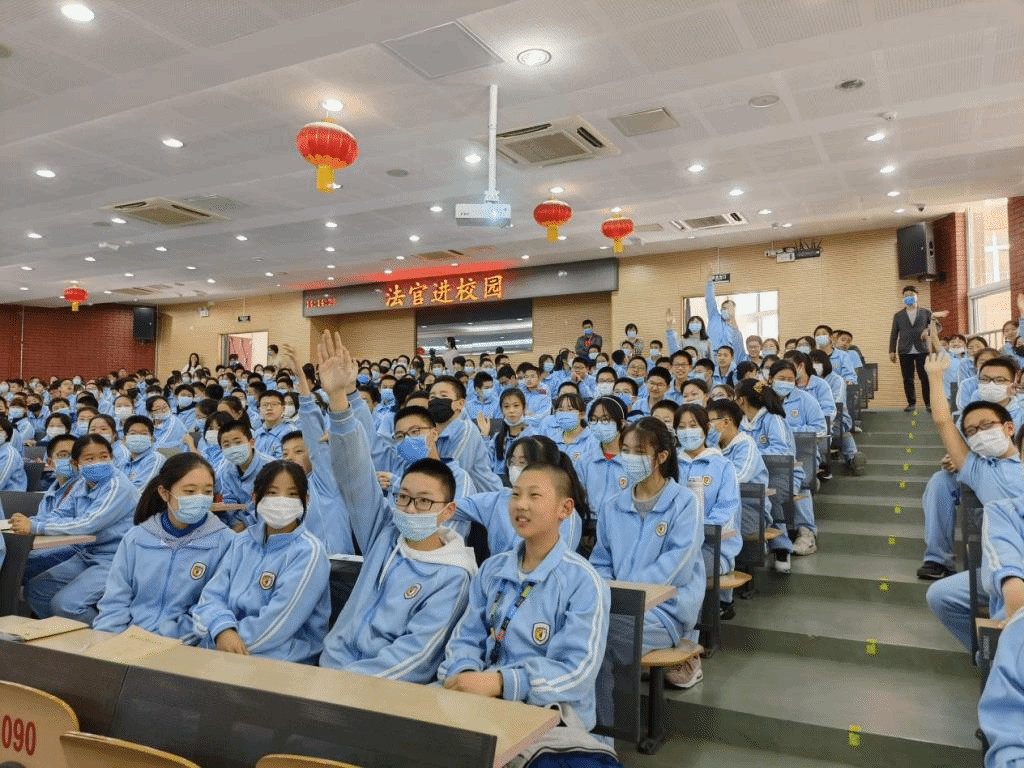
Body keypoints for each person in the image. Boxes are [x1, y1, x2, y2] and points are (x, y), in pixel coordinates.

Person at [315, 332, 478, 680]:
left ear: (447, 510)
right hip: (331, 670)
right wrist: (339, 399)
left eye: (424, 501)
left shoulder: (454, 575)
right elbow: (355, 475)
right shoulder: (387, 533)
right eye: (403, 498)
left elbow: (412, 659)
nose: (410, 508)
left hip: (382, 690)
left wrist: (345, 685)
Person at [438, 461, 610, 733]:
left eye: (534, 495)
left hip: (549, 709)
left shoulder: (584, 581)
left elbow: (577, 672)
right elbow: (466, 636)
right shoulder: (492, 569)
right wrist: (465, 671)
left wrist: (502, 682)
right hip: (481, 695)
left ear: (565, 509)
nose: (520, 504)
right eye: (515, 494)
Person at [590, 416, 705, 688]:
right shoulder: (612, 505)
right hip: (616, 606)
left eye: (639, 452)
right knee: (580, 631)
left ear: (661, 456)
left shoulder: (685, 503)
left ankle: (607, 715)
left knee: (602, 640)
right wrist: (608, 596)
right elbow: (601, 561)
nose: (630, 457)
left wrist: (629, 595)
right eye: (626, 450)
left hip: (666, 610)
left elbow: (678, 565)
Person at [192, 460, 330, 663]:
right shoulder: (242, 542)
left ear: (306, 500)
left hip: (283, 658)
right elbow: (211, 596)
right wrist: (221, 630)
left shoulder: (309, 552)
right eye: (272, 493)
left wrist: (226, 642)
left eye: (292, 494)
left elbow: (278, 624)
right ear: (256, 497)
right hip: (223, 646)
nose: (281, 501)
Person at [93, 453, 233, 638]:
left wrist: (163, 641)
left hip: (185, 644)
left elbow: (212, 607)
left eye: (207, 492)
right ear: (164, 493)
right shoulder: (137, 538)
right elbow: (115, 600)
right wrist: (108, 638)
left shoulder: (226, 542)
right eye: (190, 491)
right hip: (130, 639)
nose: (200, 499)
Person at [15, 434, 140, 622]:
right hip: (89, 553)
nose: (98, 462)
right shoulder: (81, 483)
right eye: (90, 459)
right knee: (36, 590)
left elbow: (89, 523)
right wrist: (27, 521)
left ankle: (105, 635)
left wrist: (36, 526)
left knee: (65, 605)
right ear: (75, 463)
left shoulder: (117, 485)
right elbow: (61, 514)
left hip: (117, 558)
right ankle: (61, 635)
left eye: (104, 457)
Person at [888, 285, 939, 412]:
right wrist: (891, 350)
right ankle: (911, 403)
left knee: (925, 377)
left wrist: (928, 330)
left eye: (911, 295)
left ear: (917, 296)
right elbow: (894, 334)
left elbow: (938, 326)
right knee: (907, 378)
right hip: (904, 350)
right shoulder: (898, 315)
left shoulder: (926, 312)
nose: (908, 297)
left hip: (922, 349)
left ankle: (928, 404)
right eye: (906, 295)